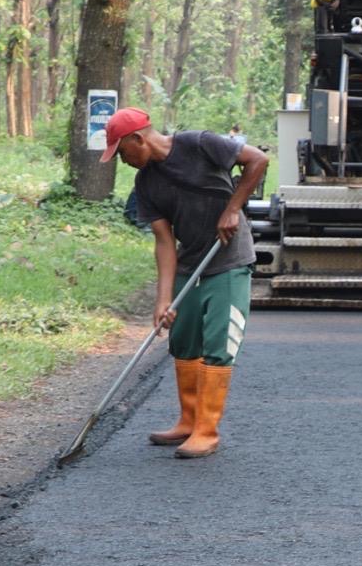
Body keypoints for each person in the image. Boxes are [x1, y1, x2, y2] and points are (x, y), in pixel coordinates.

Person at [104, 106, 271, 459]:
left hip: (228, 260)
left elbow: (257, 160)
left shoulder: (200, 144)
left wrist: (232, 209)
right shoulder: (145, 182)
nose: (123, 161)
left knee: (218, 342)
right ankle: (188, 420)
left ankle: (206, 431)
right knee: (183, 339)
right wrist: (163, 299)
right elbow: (164, 242)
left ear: (138, 139)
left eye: (122, 152)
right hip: (190, 262)